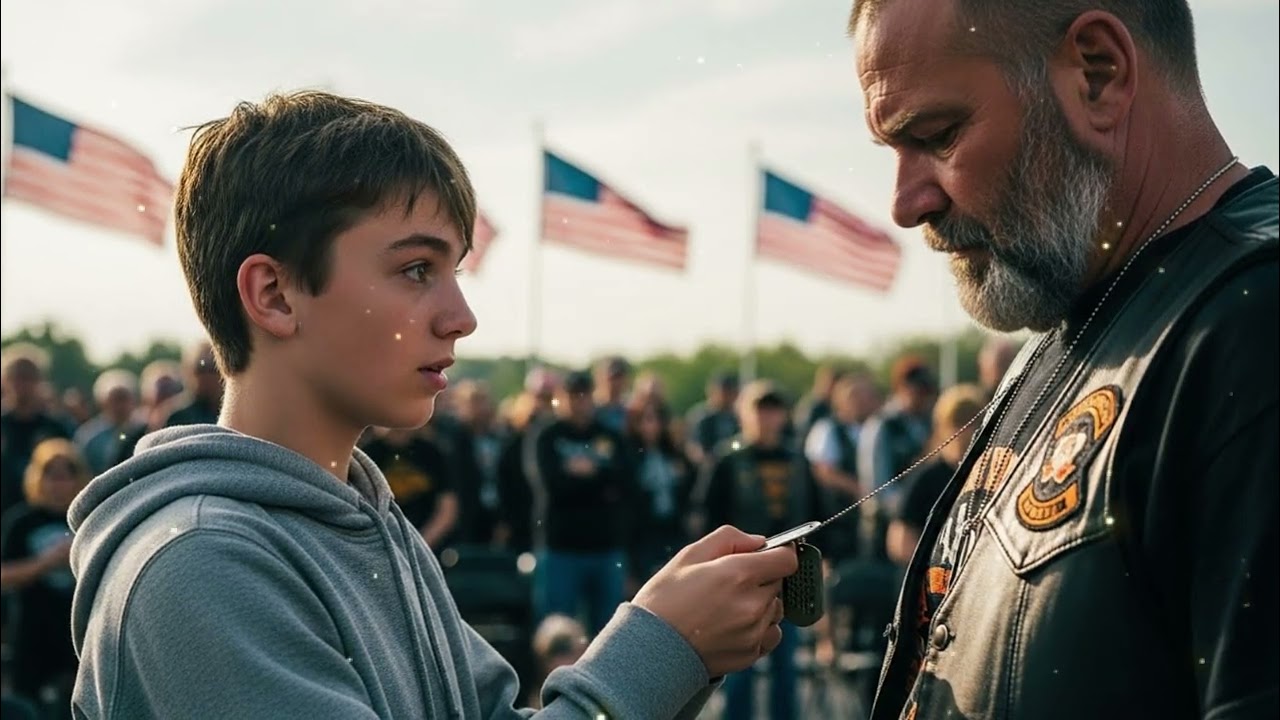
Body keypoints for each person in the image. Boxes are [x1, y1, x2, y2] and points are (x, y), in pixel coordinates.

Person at [68, 90, 797, 720]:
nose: (460, 316)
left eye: (453, 269)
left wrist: (675, 641)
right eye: (416, 269)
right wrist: (656, 648)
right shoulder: (201, 566)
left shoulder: (371, 525)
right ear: (275, 294)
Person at [848, 1, 1277, 718]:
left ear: (1099, 76)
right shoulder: (1075, 325)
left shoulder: (1254, 324)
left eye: (937, 134)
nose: (905, 203)